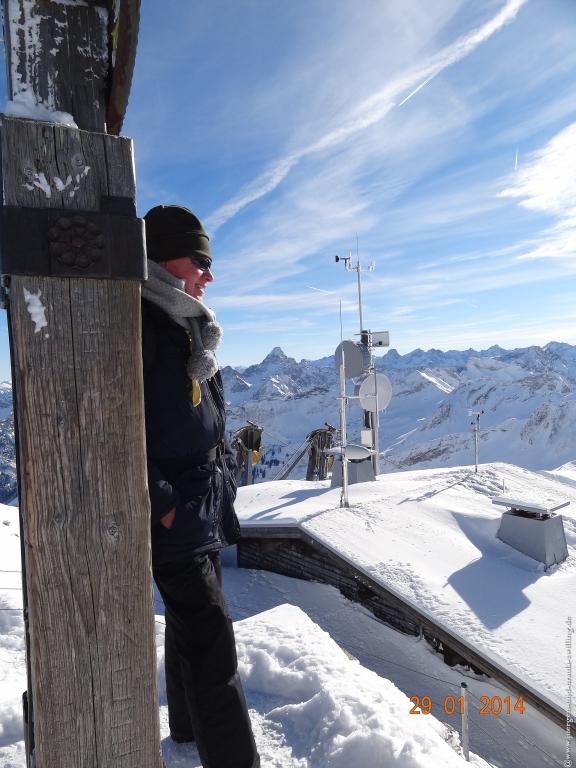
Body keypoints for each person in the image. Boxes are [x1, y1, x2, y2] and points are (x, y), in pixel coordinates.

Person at [141, 204, 260, 768]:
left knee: (192, 624)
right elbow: (111, 424)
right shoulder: (141, 325)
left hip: (198, 506)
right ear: (161, 257)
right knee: (215, 646)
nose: (209, 276)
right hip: (177, 512)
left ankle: (186, 729)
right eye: (200, 261)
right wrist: (165, 506)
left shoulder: (184, 324)